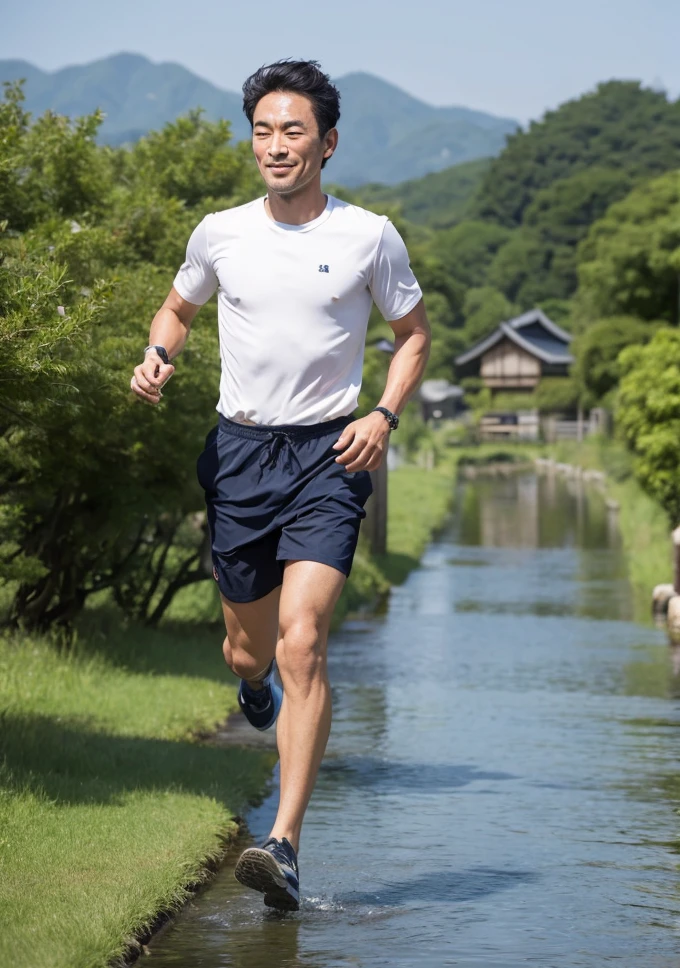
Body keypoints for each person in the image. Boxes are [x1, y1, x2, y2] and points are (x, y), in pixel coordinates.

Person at [130, 59, 430, 911]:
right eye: (263, 130)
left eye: (293, 130)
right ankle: (251, 684)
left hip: (330, 457)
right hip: (240, 456)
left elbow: (413, 334)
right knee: (251, 651)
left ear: (327, 143)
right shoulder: (220, 232)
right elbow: (177, 311)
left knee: (304, 641)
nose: (276, 145)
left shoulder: (369, 234)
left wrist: (383, 415)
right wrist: (157, 357)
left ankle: (285, 844)